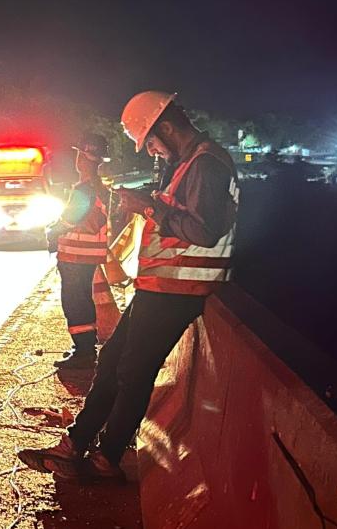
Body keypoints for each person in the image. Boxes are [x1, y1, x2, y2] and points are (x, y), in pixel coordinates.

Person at [20, 92, 238, 481]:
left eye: (151, 141)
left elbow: (204, 230)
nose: (151, 151)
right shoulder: (187, 162)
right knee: (112, 363)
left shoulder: (206, 163)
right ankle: (75, 445)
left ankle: (106, 458)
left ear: (166, 127)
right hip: (161, 285)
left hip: (181, 289)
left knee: (132, 372)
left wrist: (148, 206)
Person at [47, 134, 111, 370]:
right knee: (82, 299)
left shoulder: (85, 188)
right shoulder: (98, 187)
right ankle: (84, 348)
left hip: (76, 256)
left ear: (83, 158)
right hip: (86, 255)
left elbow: (70, 219)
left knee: (74, 302)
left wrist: (52, 231)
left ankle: (84, 352)